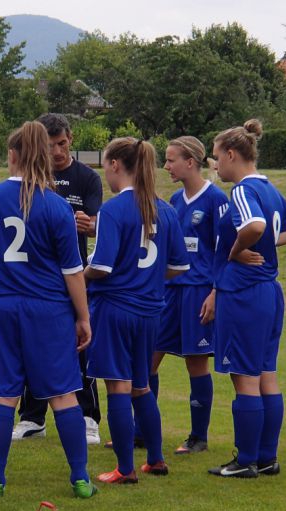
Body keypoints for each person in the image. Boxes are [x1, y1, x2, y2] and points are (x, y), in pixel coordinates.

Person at [0, 121, 97, 500]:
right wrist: (83, 316)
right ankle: (80, 478)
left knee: (3, 394)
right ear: (44, 156)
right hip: (48, 309)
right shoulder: (57, 206)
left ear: (11, 155)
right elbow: (72, 271)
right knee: (64, 394)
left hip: (1, 307)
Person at [84, 137, 190, 485]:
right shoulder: (166, 210)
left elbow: (102, 267)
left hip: (115, 308)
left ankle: (125, 468)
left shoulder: (114, 210)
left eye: (105, 164)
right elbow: (178, 267)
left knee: (118, 386)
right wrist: (148, 278)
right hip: (150, 312)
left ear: (115, 164)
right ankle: (156, 460)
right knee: (141, 385)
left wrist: (77, 277)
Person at [208, 119, 286, 478]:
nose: (215, 165)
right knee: (267, 375)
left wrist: (236, 250)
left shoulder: (242, 190)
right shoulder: (269, 188)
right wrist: (267, 246)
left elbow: (255, 226)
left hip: (244, 293)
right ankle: (267, 457)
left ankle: (246, 460)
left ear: (232, 155)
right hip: (269, 292)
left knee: (245, 377)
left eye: (217, 157)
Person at [12, 113, 104, 444]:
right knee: (32, 348)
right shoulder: (31, 179)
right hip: (37, 276)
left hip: (73, 274)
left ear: (71, 139)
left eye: (62, 144)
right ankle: (32, 417)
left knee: (80, 345)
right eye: (50, 146)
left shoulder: (87, 178)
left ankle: (88, 417)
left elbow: (96, 222)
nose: (57, 152)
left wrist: (89, 224)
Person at [151, 137, 228, 455]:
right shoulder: (174, 200)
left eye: (171, 160)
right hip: (170, 292)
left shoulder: (216, 199)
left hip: (199, 293)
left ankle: (198, 437)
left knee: (196, 364)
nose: (166, 166)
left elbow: (224, 251)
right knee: (148, 357)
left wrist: (215, 292)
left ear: (190, 162)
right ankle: (143, 430)